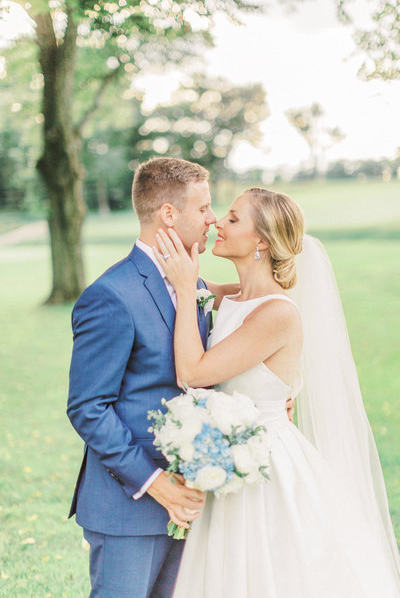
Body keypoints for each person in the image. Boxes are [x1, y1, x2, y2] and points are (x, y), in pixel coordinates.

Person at [154, 187, 400, 597]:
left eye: (233, 219)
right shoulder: (231, 295)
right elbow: (187, 280)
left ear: (262, 241)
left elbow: (194, 372)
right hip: (228, 454)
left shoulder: (278, 313)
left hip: (263, 465)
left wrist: (183, 292)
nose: (217, 222)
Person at [67, 157, 239, 597]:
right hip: (130, 505)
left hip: (194, 495)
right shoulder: (110, 295)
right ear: (168, 214)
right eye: (203, 208)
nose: (212, 219)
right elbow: (89, 408)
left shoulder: (193, 285)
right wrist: (156, 484)